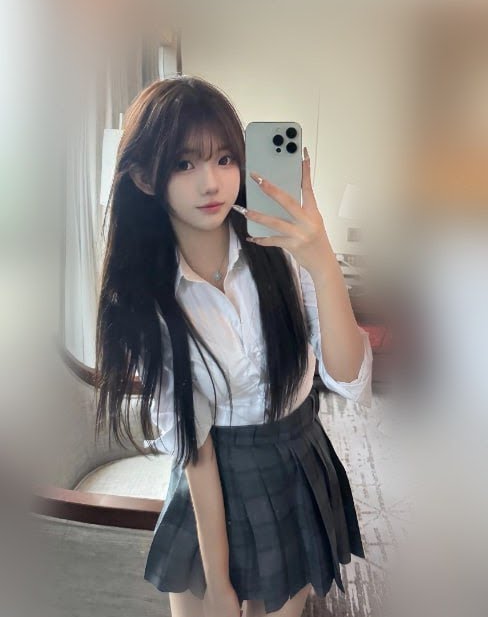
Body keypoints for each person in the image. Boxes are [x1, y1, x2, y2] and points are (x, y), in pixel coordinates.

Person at [94, 75, 373, 617]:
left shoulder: (281, 251)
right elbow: (192, 441)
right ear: (145, 178)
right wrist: (219, 581)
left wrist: (322, 262)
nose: (211, 183)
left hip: (293, 460)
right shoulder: (146, 296)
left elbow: (347, 379)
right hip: (210, 478)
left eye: (225, 159)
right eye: (184, 164)